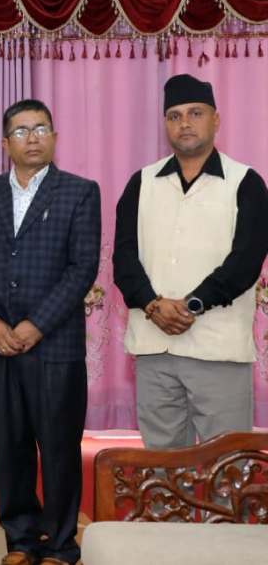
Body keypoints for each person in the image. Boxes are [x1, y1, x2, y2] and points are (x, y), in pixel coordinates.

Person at [0, 99, 101, 565]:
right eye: (21, 131)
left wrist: (35, 324)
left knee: (59, 448)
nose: (33, 138)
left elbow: (82, 269)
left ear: (55, 137)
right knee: (11, 447)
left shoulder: (79, 192)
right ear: (5, 143)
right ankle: (21, 540)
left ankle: (61, 544)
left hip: (55, 345)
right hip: (0, 345)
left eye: (41, 128)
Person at [113, 74, 268, 450]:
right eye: (175, 115)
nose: (184, 123)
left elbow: (245, 262)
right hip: (154, 347)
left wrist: (191, 305)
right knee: (162, 467)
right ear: (165, 124)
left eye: (195, 113)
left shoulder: (245, 182)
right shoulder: (142, 182)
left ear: (216, 119)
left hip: (218, 350)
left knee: (227, 466)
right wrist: (154, 306)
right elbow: (124, 258)